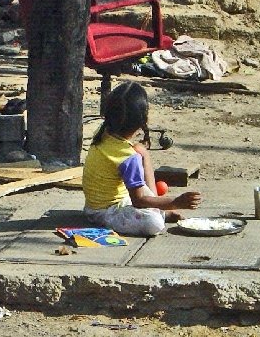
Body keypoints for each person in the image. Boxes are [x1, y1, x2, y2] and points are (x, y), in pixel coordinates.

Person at [82, 81, 202, 236]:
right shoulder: (127, 157)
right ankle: (159, 212)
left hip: (99, 204)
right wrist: (175, 202)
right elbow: (139, 200)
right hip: (105, 212)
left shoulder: (103, 131)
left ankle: (158, 209)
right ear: (142, 122)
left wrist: (144, 155)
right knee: (154, 223)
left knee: (141, 154)